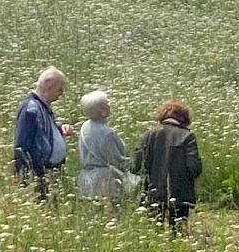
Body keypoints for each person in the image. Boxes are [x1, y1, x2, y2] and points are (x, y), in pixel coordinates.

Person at [133, 100, 202, 229]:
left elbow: (137, 166)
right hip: (179, 193)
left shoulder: (147, 135)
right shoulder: (187, 136)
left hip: (151, 192)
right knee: (178, 231)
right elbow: (195, 168)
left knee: (152, 232)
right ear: (184, 118)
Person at [13, 67, 73, 196]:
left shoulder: (42, 106)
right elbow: (23, 146)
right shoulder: (31, 109)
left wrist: (59, 129)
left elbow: (43, 132)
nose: (61, 94)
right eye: (59, 89)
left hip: (48, 174)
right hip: (38, 177)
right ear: (48, 88)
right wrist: (33, 177)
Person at [77, 90, 132, 201]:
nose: (109, 105)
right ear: (101, 110)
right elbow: (117, 160)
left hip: (86, 180)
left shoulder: (85, 126)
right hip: (104, 182)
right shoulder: (107, 133)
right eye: (107, 103)